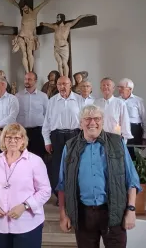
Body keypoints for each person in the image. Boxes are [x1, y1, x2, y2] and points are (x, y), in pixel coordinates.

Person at [57, 104, 141, 248]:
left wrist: (131, 210)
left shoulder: (117, 143)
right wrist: (63, 215)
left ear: (102, 121)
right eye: (87, 119)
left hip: (113, 212)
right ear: (81, 122)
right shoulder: (70, 147)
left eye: (97, 118)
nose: (92, 123)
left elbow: (132, 180)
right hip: (83, 214)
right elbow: (63, 184)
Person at [0, 123, 51, 248]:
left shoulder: (34, 161)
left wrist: (25, 206)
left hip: (27, 222)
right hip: (1, 223)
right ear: (3, 139)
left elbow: (45, 191)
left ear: (23, 140)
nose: (12, 141)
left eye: (17, 138)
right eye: (8, 137)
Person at [42, 76, 84, 203]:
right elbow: (47, 122)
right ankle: (60, 196)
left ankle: (74, 195)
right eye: (59, 84)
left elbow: (84, 119)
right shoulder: (52, 101)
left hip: (75, 135)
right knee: (58, 166)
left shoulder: (79, 99)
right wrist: (47, 141)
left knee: (75, 164)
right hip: (57, 136)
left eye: (65, 84)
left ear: (70, 85)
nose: (62, 87)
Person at [1, 0, 58, 73]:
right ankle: (27, 72)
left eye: (25, 7)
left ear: (27, 5)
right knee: (24, 54)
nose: (24, 9)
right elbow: (13, 2)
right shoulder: (22, 12)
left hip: (30, 37)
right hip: (21, 36)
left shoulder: (35, 11)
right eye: (23, 8)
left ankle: (30, 71)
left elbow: (45, 2)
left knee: (29, 53)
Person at [15, 72, 48, 160]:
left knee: (38, 158)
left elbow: (47, 114)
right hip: (22, 132)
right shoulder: (17, 96)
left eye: (29, 79)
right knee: (21, 158)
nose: (27, 81)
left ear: (35, 81)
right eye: (25, 79)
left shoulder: (43, 96)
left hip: (38, 132)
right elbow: (14, 114)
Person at [117, 78, 146, 160]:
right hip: (120, 130)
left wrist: (145, 137)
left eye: (122, 87)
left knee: (134, 156)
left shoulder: (138, 101)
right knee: (121, 155)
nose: (119, 89)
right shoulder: (116, 100)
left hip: (135, 130)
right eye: (119, 87)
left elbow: (145, 119)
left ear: (130, 89)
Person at [94, 78, 132, 142]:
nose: (105, 87)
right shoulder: (96, 103)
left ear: (113, 88)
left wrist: (124, 140)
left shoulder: (120, 103)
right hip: (99, 137)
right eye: (103, 85)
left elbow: (125, 122)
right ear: (100, 88)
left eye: (108, 85)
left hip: (114, 138)